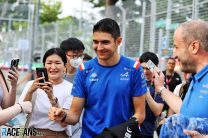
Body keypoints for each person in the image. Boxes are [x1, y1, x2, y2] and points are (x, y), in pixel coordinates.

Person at [48, 18, 147, 138]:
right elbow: (74, 115)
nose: (99, 47)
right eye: (95, 42)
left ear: (118, 41)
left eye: (105, 42)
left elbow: (140, 114)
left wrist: (116, 133)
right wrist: (62, 115)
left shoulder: (133, 68)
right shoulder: (84, 70)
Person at [153, 19, 208, 136]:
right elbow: (186, 111)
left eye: (176, 47)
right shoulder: (195, 78)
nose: (174, 55)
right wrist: (161, 88)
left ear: (194, 47)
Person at [19, 48, 73, 137]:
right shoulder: (31, 85)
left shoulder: (71, 88)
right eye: (49, 63)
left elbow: (64, 123)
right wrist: (30, 92)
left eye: (58, 63)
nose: (53, 67)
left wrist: (52, 98)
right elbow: (21, 113)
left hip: (57, 135)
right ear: (44, 65)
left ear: (65, 66)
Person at [139, 52, 164, 138]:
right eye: (143, 68)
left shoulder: (159, 85)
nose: (145, 71)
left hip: (147, 132)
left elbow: (157, 111)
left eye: (148, 68)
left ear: (154, 67)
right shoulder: (135, 80)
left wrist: (145, 92)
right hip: (130, 129)